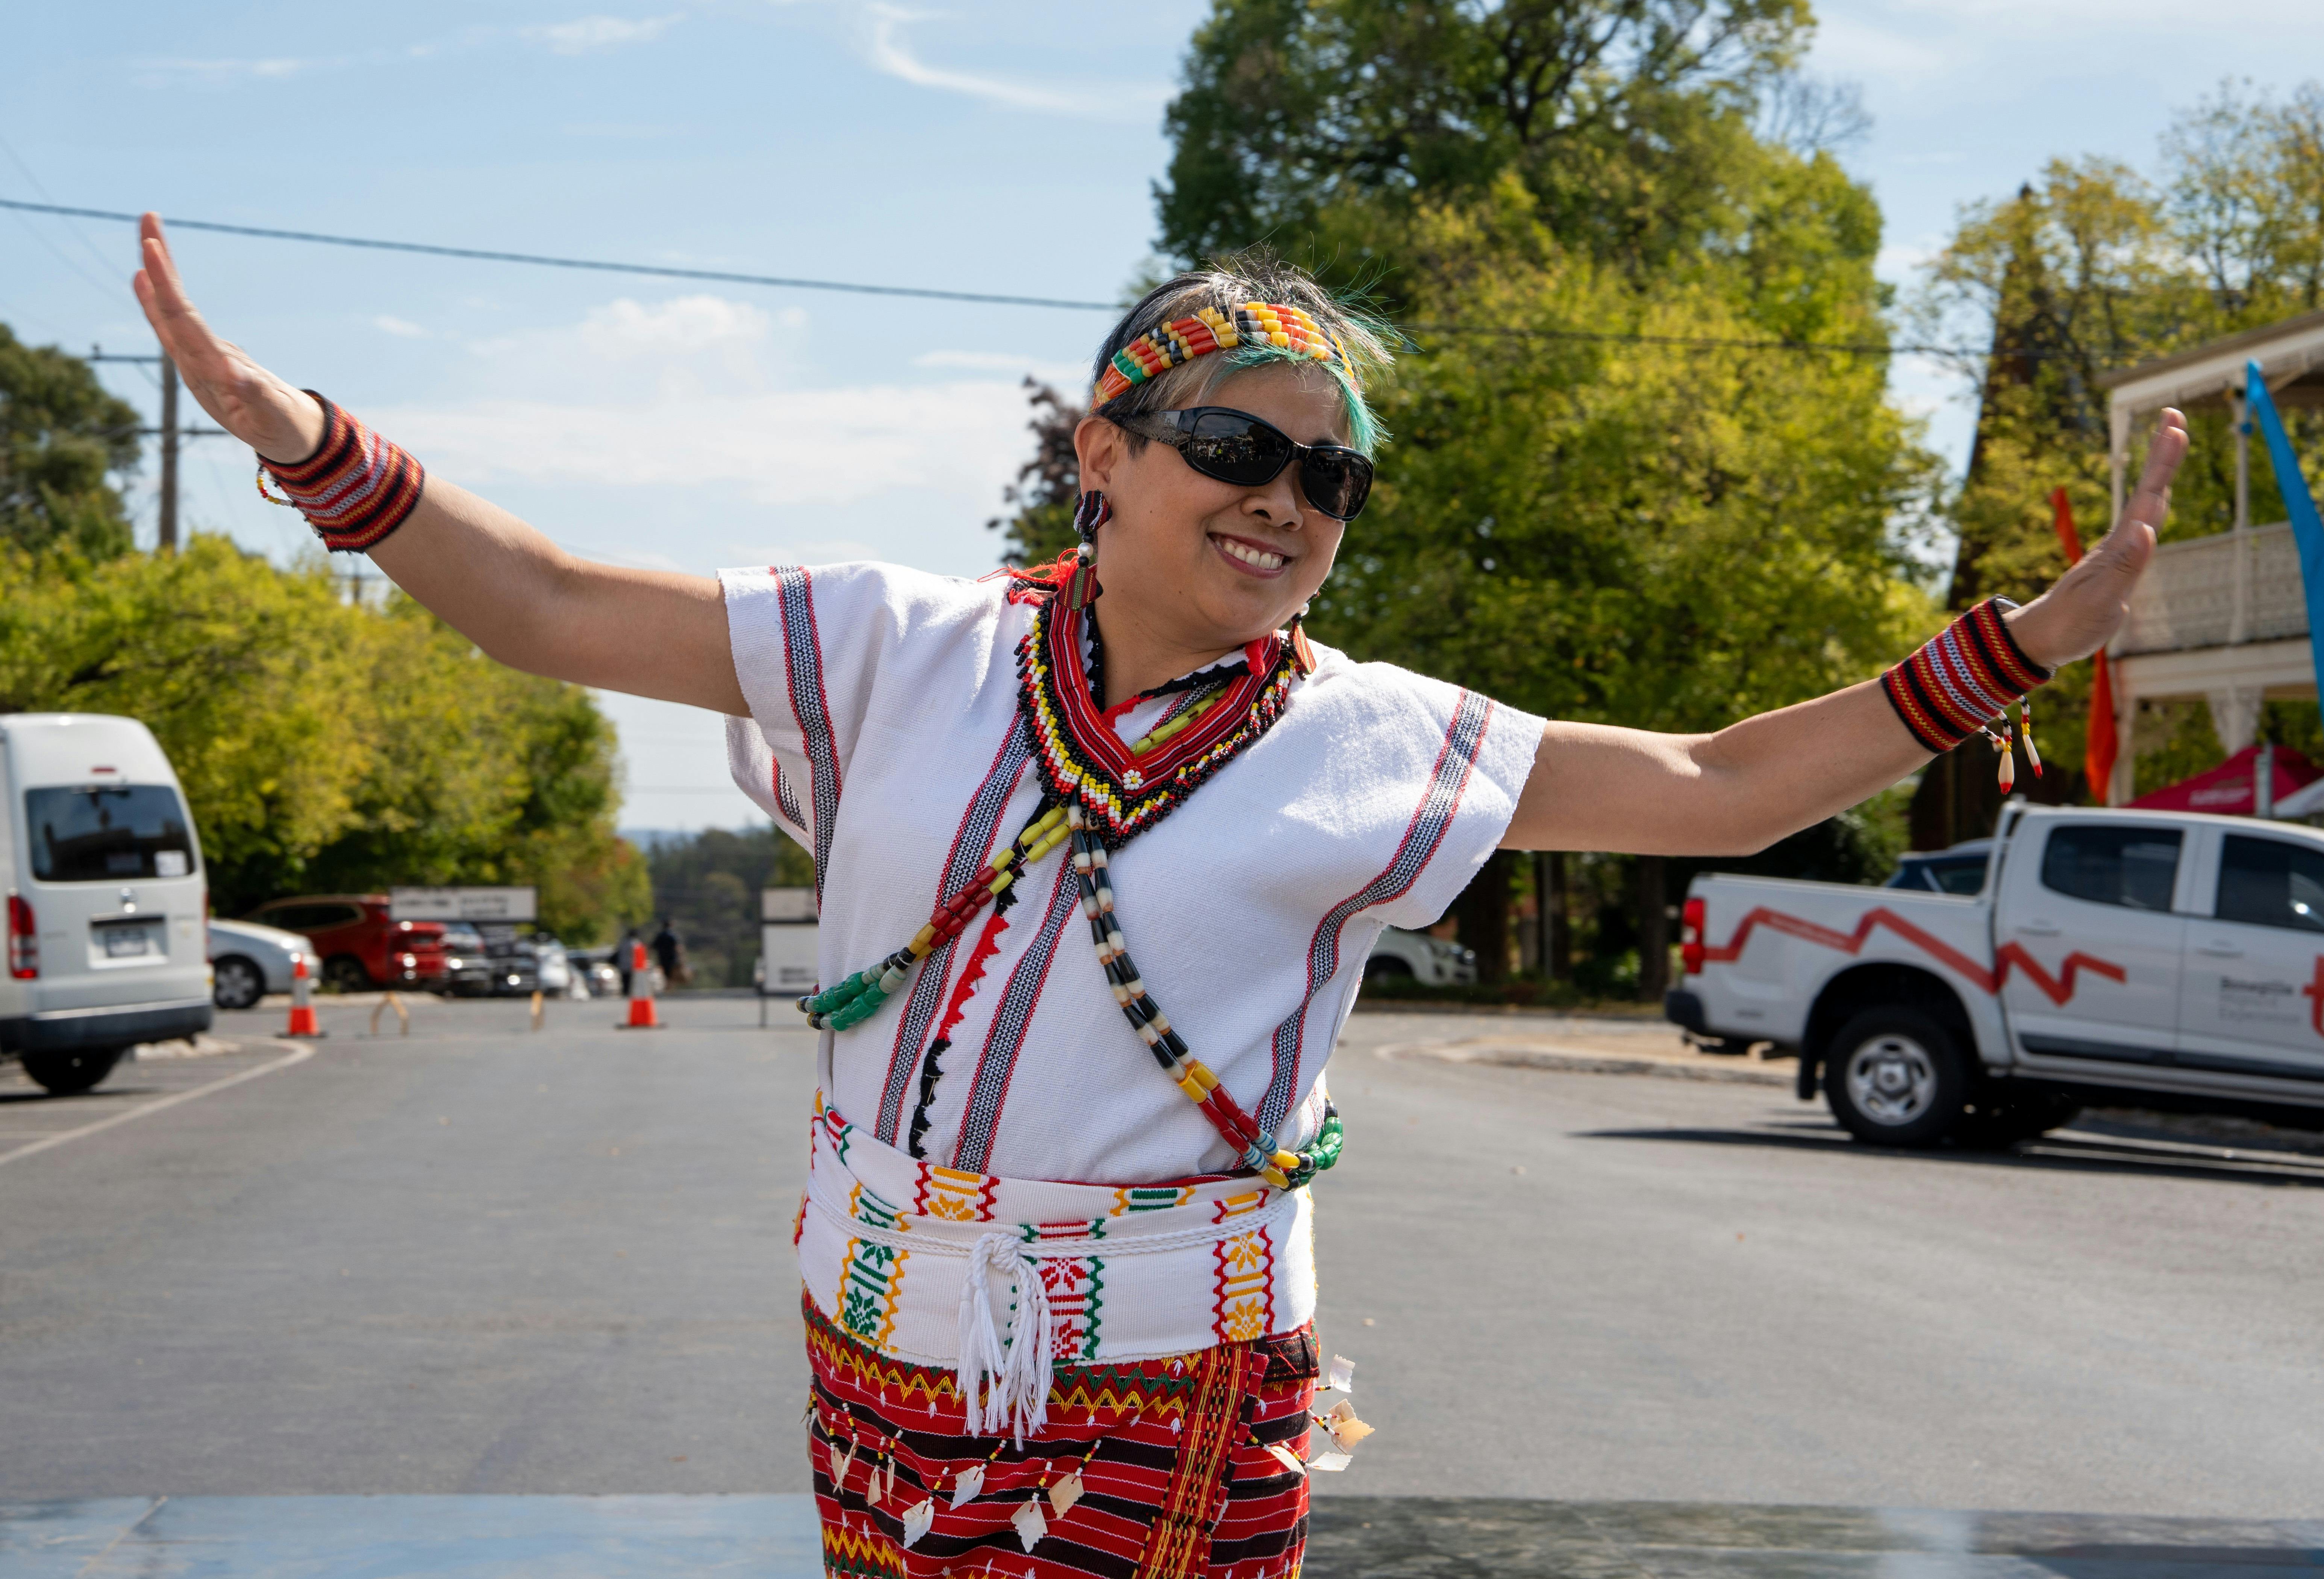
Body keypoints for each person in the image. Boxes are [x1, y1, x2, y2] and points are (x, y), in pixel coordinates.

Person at [132, 213, 2188, 1579]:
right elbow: (549, 602)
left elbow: (1719, 785)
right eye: (1231, 444)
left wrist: (2019, 644)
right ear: (1101, 456)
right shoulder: (894, 650)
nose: (1284, 499)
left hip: (1184, 1392)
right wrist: (295, 437)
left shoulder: (1370, 737)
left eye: (1329, 476)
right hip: (877, 1365)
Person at [652, 917, 683, 990]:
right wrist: (681, 958)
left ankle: (667, 988)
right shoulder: (673, 935)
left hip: (662, 958)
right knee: (672, 976)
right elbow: (677, 947)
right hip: (672, 959)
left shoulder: (660, 936)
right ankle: (669, 989)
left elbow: (654, 947)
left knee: (665, 975)